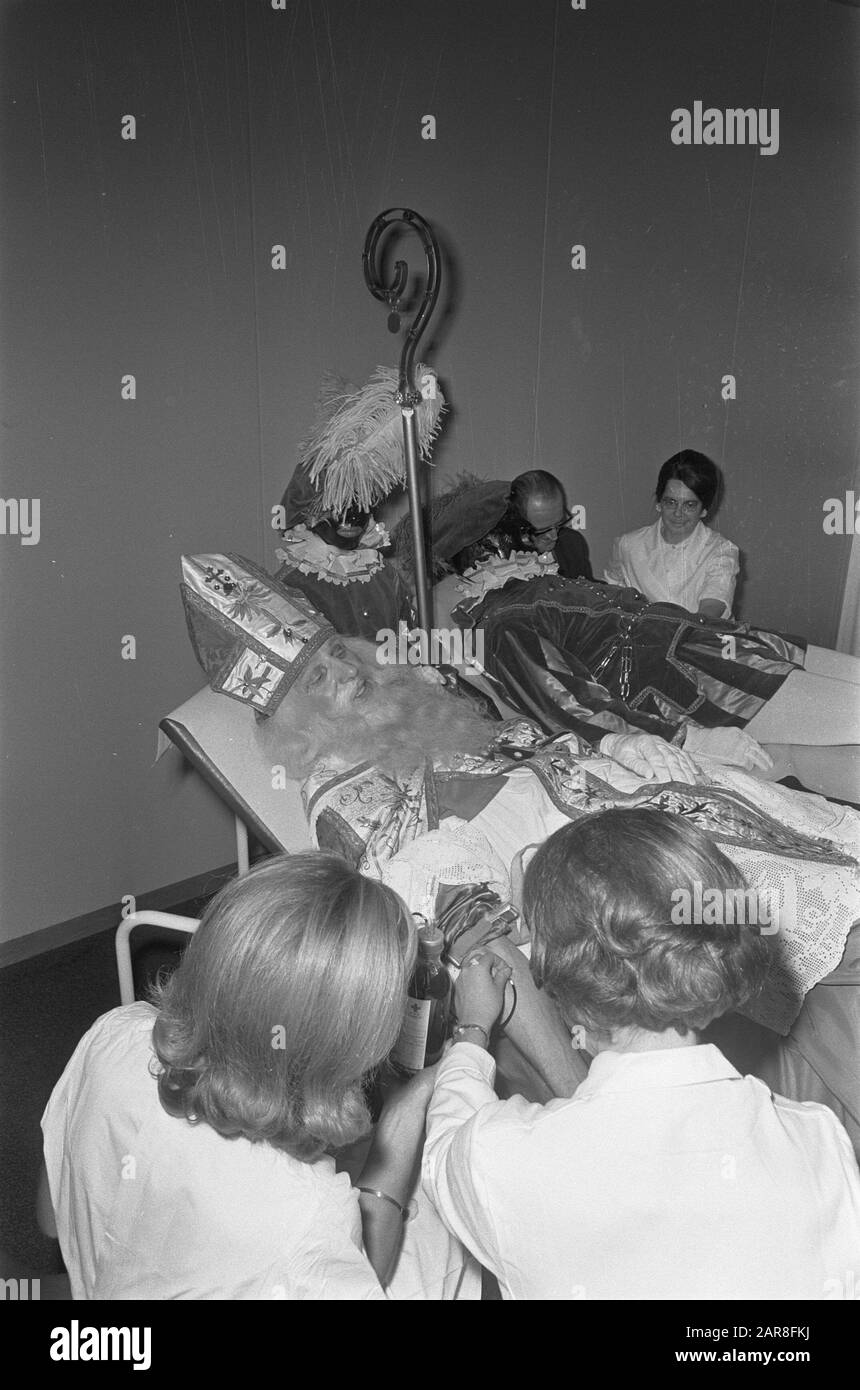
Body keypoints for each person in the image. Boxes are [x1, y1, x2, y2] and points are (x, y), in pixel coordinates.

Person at [421, 809, 860, 1300]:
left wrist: (473, 1030)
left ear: (551, 972)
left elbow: (442, 1152)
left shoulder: (500, 1159)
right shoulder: (819, 1141)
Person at [40, 854, 479, 1300]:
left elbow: (49, 1218)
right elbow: (366, 1274)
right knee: (449, 1237)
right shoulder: (307, 1213)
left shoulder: (114, 1032)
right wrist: (405, 1112)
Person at [272, 365, 444, 640]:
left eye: (361, 503)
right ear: (310, 515)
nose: (352, 518)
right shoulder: (293, 585)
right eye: (339, 506)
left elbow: (408, 644)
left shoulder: (383, 577)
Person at [604, 450, 739, 617]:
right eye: (671, 502)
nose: (678, 513)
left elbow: (711, 610)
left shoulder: (721, 550)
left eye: (689, 505)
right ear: (659, 502)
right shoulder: (628, 545)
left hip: (702, 639)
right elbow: (612, 592)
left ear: (704, 510)